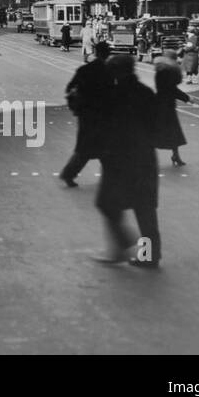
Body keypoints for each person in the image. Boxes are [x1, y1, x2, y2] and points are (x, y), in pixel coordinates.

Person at [93, 54, 162, 268]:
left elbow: (104, 127)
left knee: (107, 203)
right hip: (144, 159)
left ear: (115, 72)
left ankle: (122, 244)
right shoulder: (145, 93)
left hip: (118, 160)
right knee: (145, 211)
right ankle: (149, 256)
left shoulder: (111, 95)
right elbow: (156, 128)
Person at [60, 40, 114, 187]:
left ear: (96, 52)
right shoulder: (109, 72)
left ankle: (68, 174)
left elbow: (70, 87)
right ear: (107, 53)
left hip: (86, 114)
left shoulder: (84, 70)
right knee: (107, 148)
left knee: (84, 148)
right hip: (103, 115)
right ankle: (110, 177)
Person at [153, 50, 191, 167]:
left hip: (160, 103)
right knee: (172, 132)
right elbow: (172, 89)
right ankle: (176, 156)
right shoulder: (167, 72)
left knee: (161, 131)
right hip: (166, 105)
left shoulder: (160, 70)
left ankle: (176, 156)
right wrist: (187, 98)